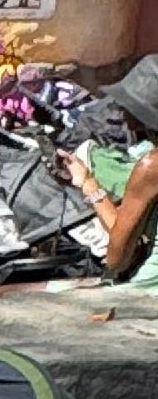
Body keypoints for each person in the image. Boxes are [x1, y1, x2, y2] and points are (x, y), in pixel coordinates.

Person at [64, 53, 158, 290]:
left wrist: (88, 184)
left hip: (146, 290)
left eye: (128, 106)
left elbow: (119, 259)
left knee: (6, 293)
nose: (121, 113)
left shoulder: (151, 167)